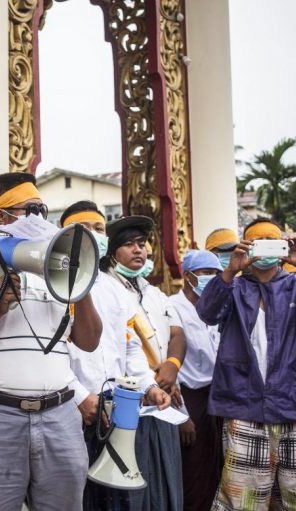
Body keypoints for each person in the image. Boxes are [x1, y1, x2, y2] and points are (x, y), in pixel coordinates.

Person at [0, 173, 102, 511]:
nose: (39, 216)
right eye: (29, 209)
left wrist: (80, 284)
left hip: (61, 415)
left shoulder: (57, 267)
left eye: (42, 208)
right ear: (1, 217)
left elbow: (89, 341)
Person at [197, 218, 296, 510]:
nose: (267, 249)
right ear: (248, 247)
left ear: (282, 247)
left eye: (273, 241)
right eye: (259, 242)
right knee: (242, 501)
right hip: (245, 408)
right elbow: (206, 312)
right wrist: (230, 270)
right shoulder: (235, 287)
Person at [60, 201, 171, 510]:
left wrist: (148, 386)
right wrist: (80, 396)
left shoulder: (114, 288)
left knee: (117, 499)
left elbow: (131, 347)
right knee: (80, 497)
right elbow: (50, 352)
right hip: (74, 406)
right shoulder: (52, 285)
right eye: (85, 229)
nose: (94, 234)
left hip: (116, 406)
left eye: (99, 229)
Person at [102, 215, 185, 511]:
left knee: (166, 481)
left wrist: (171, 367)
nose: (139, 250)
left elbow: (177, 334)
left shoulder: (155, 293)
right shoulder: (107, 290)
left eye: (142, 244)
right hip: (129, 402)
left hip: (162, 398)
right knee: (134, 488)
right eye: (128, 245)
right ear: (112, 254)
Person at [168, 250, 223, 511]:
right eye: (206, 273)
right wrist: (181, 416)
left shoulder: (218, 307)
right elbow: (169, 367)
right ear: (188, 276)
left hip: (217, 398)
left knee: (217, 470)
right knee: (193, 474)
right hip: (189, 399)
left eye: (216, 273)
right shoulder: (172, 307)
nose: (212, 278)